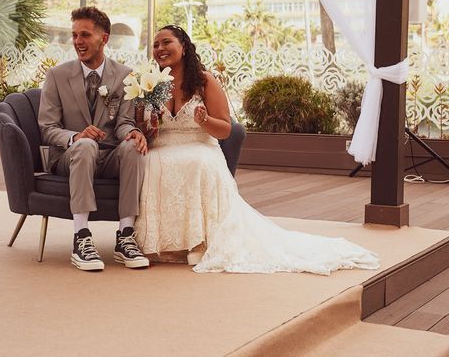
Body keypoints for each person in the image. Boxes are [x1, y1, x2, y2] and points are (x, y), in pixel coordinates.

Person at [133, 25, 379, 274]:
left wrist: (204, 121)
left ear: (183, 47)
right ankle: (162, 245)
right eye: (155, 45)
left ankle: (199, 241)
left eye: (166, 42)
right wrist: (145, 126)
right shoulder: (150, 84)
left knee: (199, 163)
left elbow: (226, 130)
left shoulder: (205, 81)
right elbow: (141, 124)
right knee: (150, 163)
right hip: (162, 147)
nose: (160, 49)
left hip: (200, 145)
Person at [38, 6, 150, 271]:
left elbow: (123, 123)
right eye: (75, 35)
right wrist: (76, 136)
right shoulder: (57, 76)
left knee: (135, 146)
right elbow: (47, 127)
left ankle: (125, 237)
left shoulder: (124, 76)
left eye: (85, 35)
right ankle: (81, 238)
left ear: (105, 38)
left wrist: (132, 132)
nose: (78, 42)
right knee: (86, 145)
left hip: (109, 155)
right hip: (69, 156)